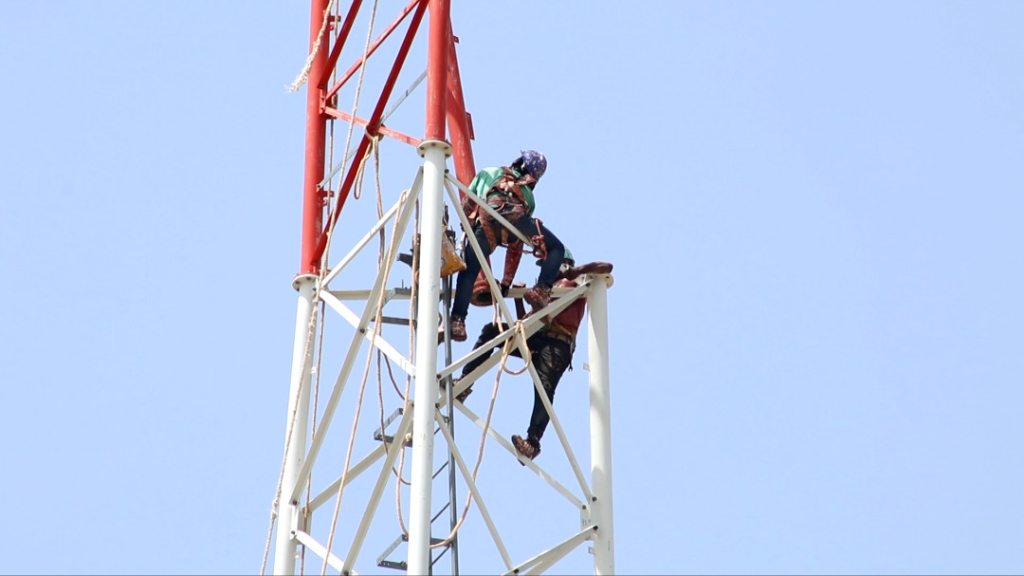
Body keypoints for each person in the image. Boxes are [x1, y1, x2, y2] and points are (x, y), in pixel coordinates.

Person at [455, 250, 588, 462]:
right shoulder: (548, 291)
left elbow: (605, 268)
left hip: (557, 344)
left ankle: (533, 442)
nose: (544, 270)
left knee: (544, 389)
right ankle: (464, 382)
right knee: (492, 331)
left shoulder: (575, 287)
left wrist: (572, 271)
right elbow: (526, 324)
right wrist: (519, 303)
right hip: (538, 338)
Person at [447, 150, 565, 342]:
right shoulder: (529, 197)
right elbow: (516, 244)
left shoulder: (490, 172)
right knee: (556, 249)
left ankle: (458, 321)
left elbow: (468, 203)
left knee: (469, 272)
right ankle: (541, 291)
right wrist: (506, 282)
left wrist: (468, 225)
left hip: (486, 222)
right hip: (514, 219)